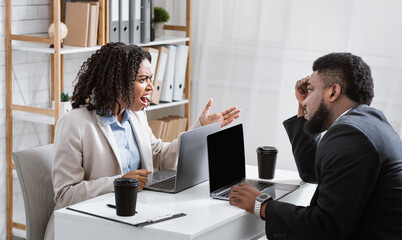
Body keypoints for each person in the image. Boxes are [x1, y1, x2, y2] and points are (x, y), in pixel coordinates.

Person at [44, 42, 240, 240]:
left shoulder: (135, 116)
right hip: (87, 226)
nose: (150, 87)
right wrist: (120, 183)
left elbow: (160, 157)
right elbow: (65, 196)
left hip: (133, 218)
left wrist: (202, 128)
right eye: (143, 79)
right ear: (119, 83)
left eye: (150, 79)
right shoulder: (73, 123)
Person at [229, 52, 402, 240]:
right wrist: (303, 108)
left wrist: (262, 205)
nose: (304, 100)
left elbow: (326, 228)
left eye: (310, 90)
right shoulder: (370, 123)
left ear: (333, 92)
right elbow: (312, 171)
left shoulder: (350, 135)